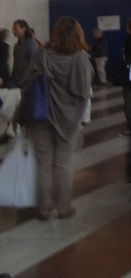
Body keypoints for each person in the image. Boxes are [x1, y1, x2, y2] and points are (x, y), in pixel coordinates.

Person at [17, 16, 93, 221]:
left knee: (43, 163)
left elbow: (26, 82)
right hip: (69, 119)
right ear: (78, 35)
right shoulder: (81, 59)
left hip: (40, 115)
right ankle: (63, 207)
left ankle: (43, 209)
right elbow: (84, 92)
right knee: (63, 163)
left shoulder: (42, 54)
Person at [11, 19, 39, 88]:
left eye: (15, 28)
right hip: (16, 81)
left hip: (27, 83)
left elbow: (34, 64)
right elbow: (15, 64)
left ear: (23, 29)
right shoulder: (16, 46)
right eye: (13, 28)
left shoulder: (31, 44)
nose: (13, 31)